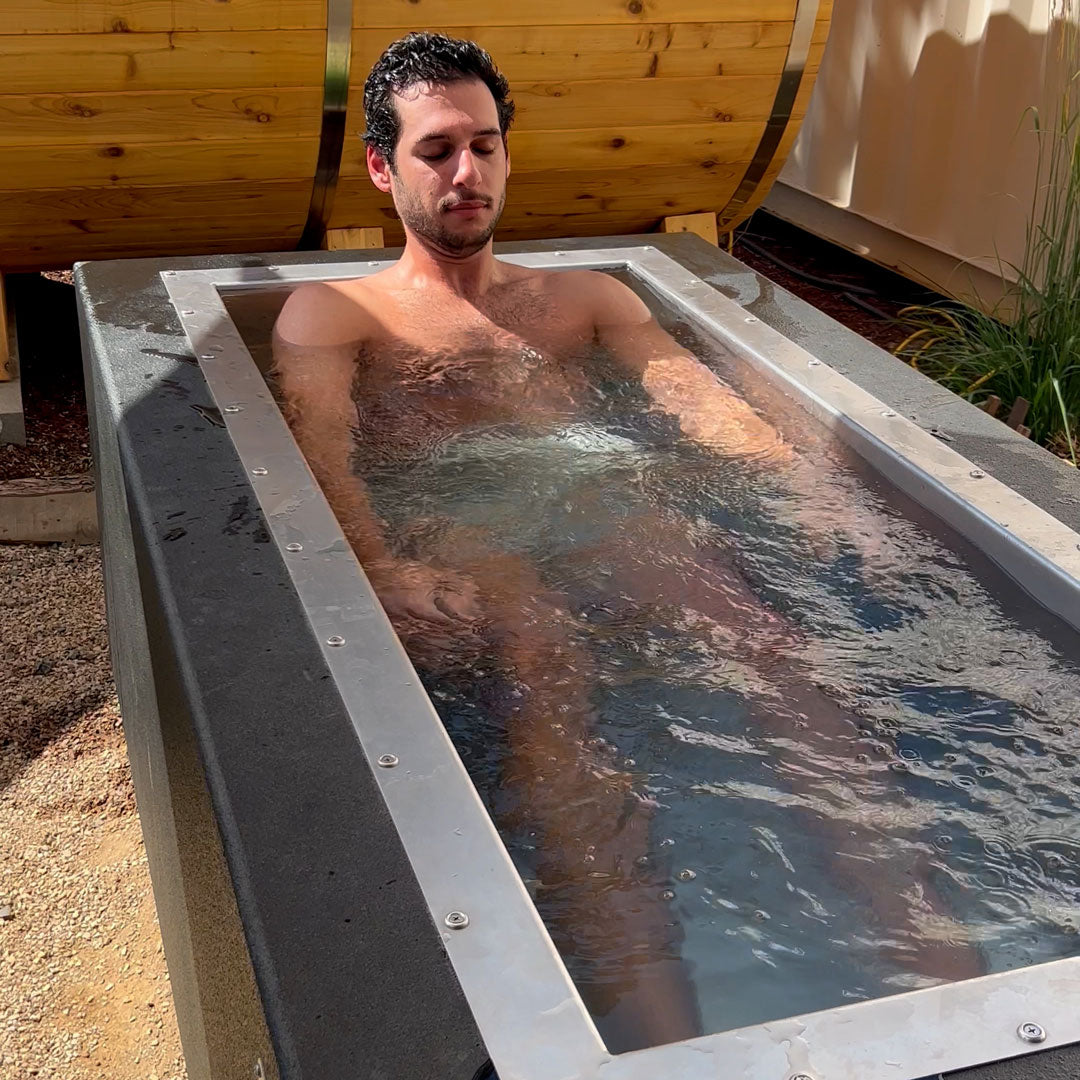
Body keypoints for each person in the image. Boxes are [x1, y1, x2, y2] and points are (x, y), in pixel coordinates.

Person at [272, 32, 979, 1049]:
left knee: (760, 635)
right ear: (384, 169)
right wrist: (377, 564)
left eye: (484, 144)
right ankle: (650, 1032)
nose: (466, 173)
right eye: (435, 151)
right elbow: (322, 455)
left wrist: (812, 493)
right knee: (541, 648)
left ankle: (950, 985)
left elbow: (694, 400)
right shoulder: (335, 312)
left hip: (600, 495)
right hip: (458, 513)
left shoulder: (588, 299)